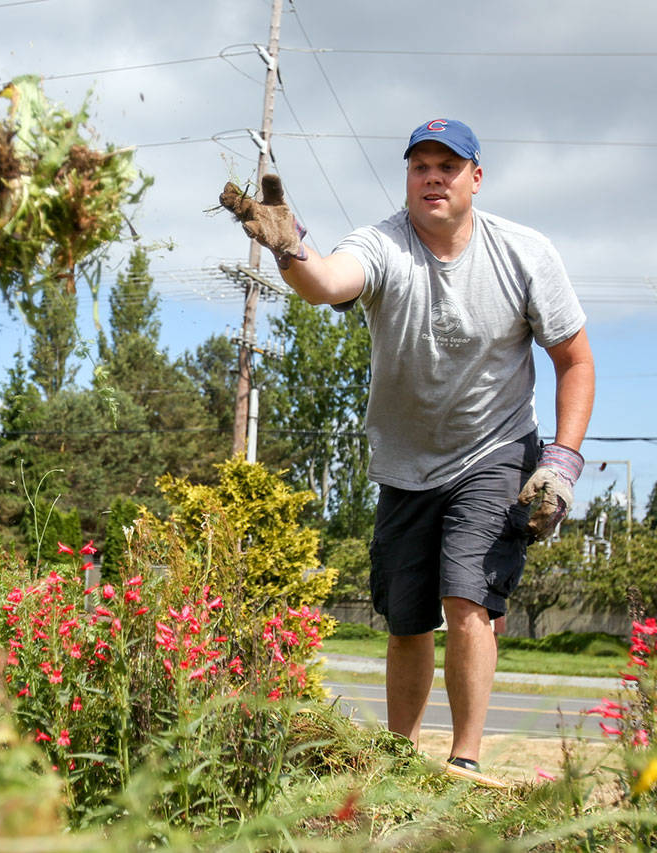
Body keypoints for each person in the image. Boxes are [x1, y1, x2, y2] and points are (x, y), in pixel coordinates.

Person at [219, 118, 595, 771]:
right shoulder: (385, 243)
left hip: (495, 446)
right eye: (420, 165)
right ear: (408, 179)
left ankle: (465, 759)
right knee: (406, 618)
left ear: (476, 178)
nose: (433, 177)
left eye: (448, 166)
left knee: (468, 593)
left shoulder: (524, 253)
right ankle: (401, 756)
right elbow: (329, 281)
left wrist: (561, 460)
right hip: (405, 462)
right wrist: (288, 250)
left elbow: (575, 360)